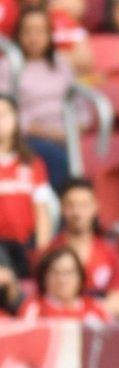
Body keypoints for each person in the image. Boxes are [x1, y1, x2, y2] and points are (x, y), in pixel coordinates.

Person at [0, 8, 74, 193]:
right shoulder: (8, 66)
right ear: (18, 35)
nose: (34, 38)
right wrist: (47, 132)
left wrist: (73, 130)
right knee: (55, 157)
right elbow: (5, 111)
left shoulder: (62, 64)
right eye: (28, 31)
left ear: (49, 34)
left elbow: (80, 108)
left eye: (40, 31)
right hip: (30, 137)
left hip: (68, 134)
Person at [47, 178, 119, 319]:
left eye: (84, 205)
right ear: (61, 207)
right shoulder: (50, 252)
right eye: (71, 205)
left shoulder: (110, 252)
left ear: (95, 207)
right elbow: (44, 300)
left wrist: (88, 311)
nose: (77, 213)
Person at [0, 94, 53, 277]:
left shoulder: (32, 163)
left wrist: (42, 251)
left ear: (16, 118)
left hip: (25, 245)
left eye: (5, 114)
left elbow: (41, 211)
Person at [17, 246, 108, 322]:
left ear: (80, 277)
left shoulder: (95, 309)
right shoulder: (33, 309)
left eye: (68, 272)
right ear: (44, 277)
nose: (62, 279)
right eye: (55, 272)